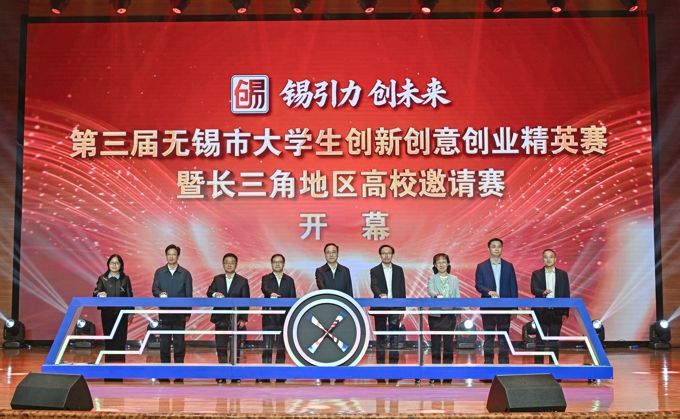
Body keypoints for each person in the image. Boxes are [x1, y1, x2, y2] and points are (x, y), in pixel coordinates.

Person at [152, 244, 193, 382]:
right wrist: (159, 293)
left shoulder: (185, 274)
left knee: (179, 343)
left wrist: (188, 313)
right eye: (169, 254)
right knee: (164, 342)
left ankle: (179, 373)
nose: (171, 257)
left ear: (178, 256)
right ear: (166, 255)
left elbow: (188, 294)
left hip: (180, 314)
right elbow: (154, 289)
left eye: (174, 254)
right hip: (164, 313)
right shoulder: (159, 272)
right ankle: (164, 372)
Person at [207, 253, 250, 384]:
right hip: (220, 318)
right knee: (221, 346)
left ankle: (235, 373)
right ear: (223, 264)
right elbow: (209, 292)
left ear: (236, 264)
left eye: (232, 262)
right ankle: (222, 372)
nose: (229, 264)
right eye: (227, 262)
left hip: (235, 319)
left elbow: (245, 301)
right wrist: (215, 294)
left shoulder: (243, 281)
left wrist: (242, 319)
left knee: (235, 347)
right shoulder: (217, 279)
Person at [474, 238, 518, 364]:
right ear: (489, 249)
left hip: (505, 307)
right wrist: (488, 292)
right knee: (489, 338)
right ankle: (488, 364)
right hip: (488, 307)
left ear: (502, 248)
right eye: (493, 246)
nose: (496, 249)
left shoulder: (508, 266)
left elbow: (513, 287)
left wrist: (514, 308)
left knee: (504, 338)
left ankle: (504, 364)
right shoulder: (482, 266)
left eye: (499, 246)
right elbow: (478, 285)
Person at [315, 243, 353, 384]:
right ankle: (325, 373)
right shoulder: (320, 271)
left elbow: (349, 291)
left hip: (342, 312)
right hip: (326, 311)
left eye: (333, 252)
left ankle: (340, 373)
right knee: (326, 343)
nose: (331, 254)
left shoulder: (345, 271)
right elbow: (322, 288)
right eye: (328, 252)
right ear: (324, 254)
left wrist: (350, 310)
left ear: (338, 253)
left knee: (341, 343)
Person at [370, 244, 406, 384]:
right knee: (380, 339)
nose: (386, 255)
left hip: (395, 307)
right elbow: (374, 285)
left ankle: (393, 371)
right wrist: (380, 294)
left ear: (392, 255)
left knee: (394, 339)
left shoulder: (398, 270)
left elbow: (402, 289)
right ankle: (380, 371)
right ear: (380, 255)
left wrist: (402, 308)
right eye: (383, 253)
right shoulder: (374, 270)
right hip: (380, 306)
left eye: (388, 253)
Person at [93, 254, 134, 369]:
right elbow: (95, 292)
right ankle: (109, 368)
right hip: (108, 315)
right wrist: (99, 294)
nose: (114, 265)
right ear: (108, 264)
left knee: (120, 341)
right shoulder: (102, 278)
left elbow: (130, 296)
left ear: (121, 265)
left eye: (117, 263)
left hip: (122, 315)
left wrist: (130, 313)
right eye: (112, 263)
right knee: (109, 341)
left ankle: (120, 368)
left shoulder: (125, 279)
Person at [261, 254, 296, 383]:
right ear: (271, 264)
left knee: (281, 347)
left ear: (283, 264)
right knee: (267, 346)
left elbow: (292, 298)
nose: (277, 264)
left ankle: (280, 374)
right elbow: (264, 289)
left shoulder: (289, 280)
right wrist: (271, 294)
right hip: (269, 317)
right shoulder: (266, 278)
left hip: (284, 318)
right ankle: (266, 374)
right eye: (275, 262)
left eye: (280, 262)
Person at [530, 249, 570, 364]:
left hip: (556, 313)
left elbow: (566, 293)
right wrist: (543, 292)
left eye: (551, 257)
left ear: (555, 259)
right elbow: (533, 289)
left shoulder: (562, 274)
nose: (548, 259)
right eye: (546, 257)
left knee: (554, 342)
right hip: (541, 312)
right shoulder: (536, 274)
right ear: (542, 259)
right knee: (540, 341)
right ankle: (539, 368)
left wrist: (565, 312)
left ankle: (554, 367)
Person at [427, 253, 460, 384]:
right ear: (435, 265)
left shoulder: (454, 279)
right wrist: (436, 295)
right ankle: (435, 374)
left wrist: (458, 312)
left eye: (443, 262)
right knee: (435, 345)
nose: (441, 264)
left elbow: (457, 295)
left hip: (450, 315)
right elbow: (430, 290)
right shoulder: (431, 278)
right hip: (435, 315)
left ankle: (447, 374)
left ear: (448, 264)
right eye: (438, 262)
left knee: (448, 345)